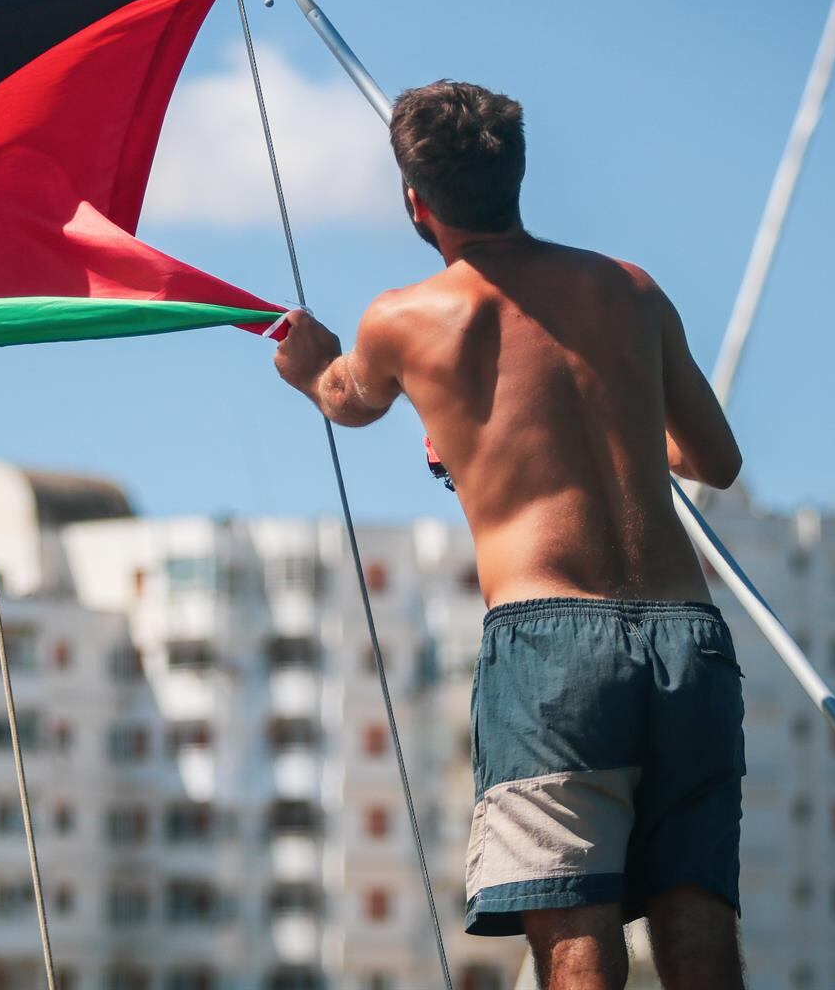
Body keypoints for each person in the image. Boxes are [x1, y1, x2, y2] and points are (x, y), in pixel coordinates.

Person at [272, 81, 746, 990]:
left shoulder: (404, 318)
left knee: (575, 937)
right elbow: (714, 460)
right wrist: (613, 428)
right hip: (687, 639)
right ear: (518, 173)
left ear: (415, 200)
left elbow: (347, 397)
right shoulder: (632, 289)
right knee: (699, 932)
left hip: (553, 643)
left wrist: (309, 362)